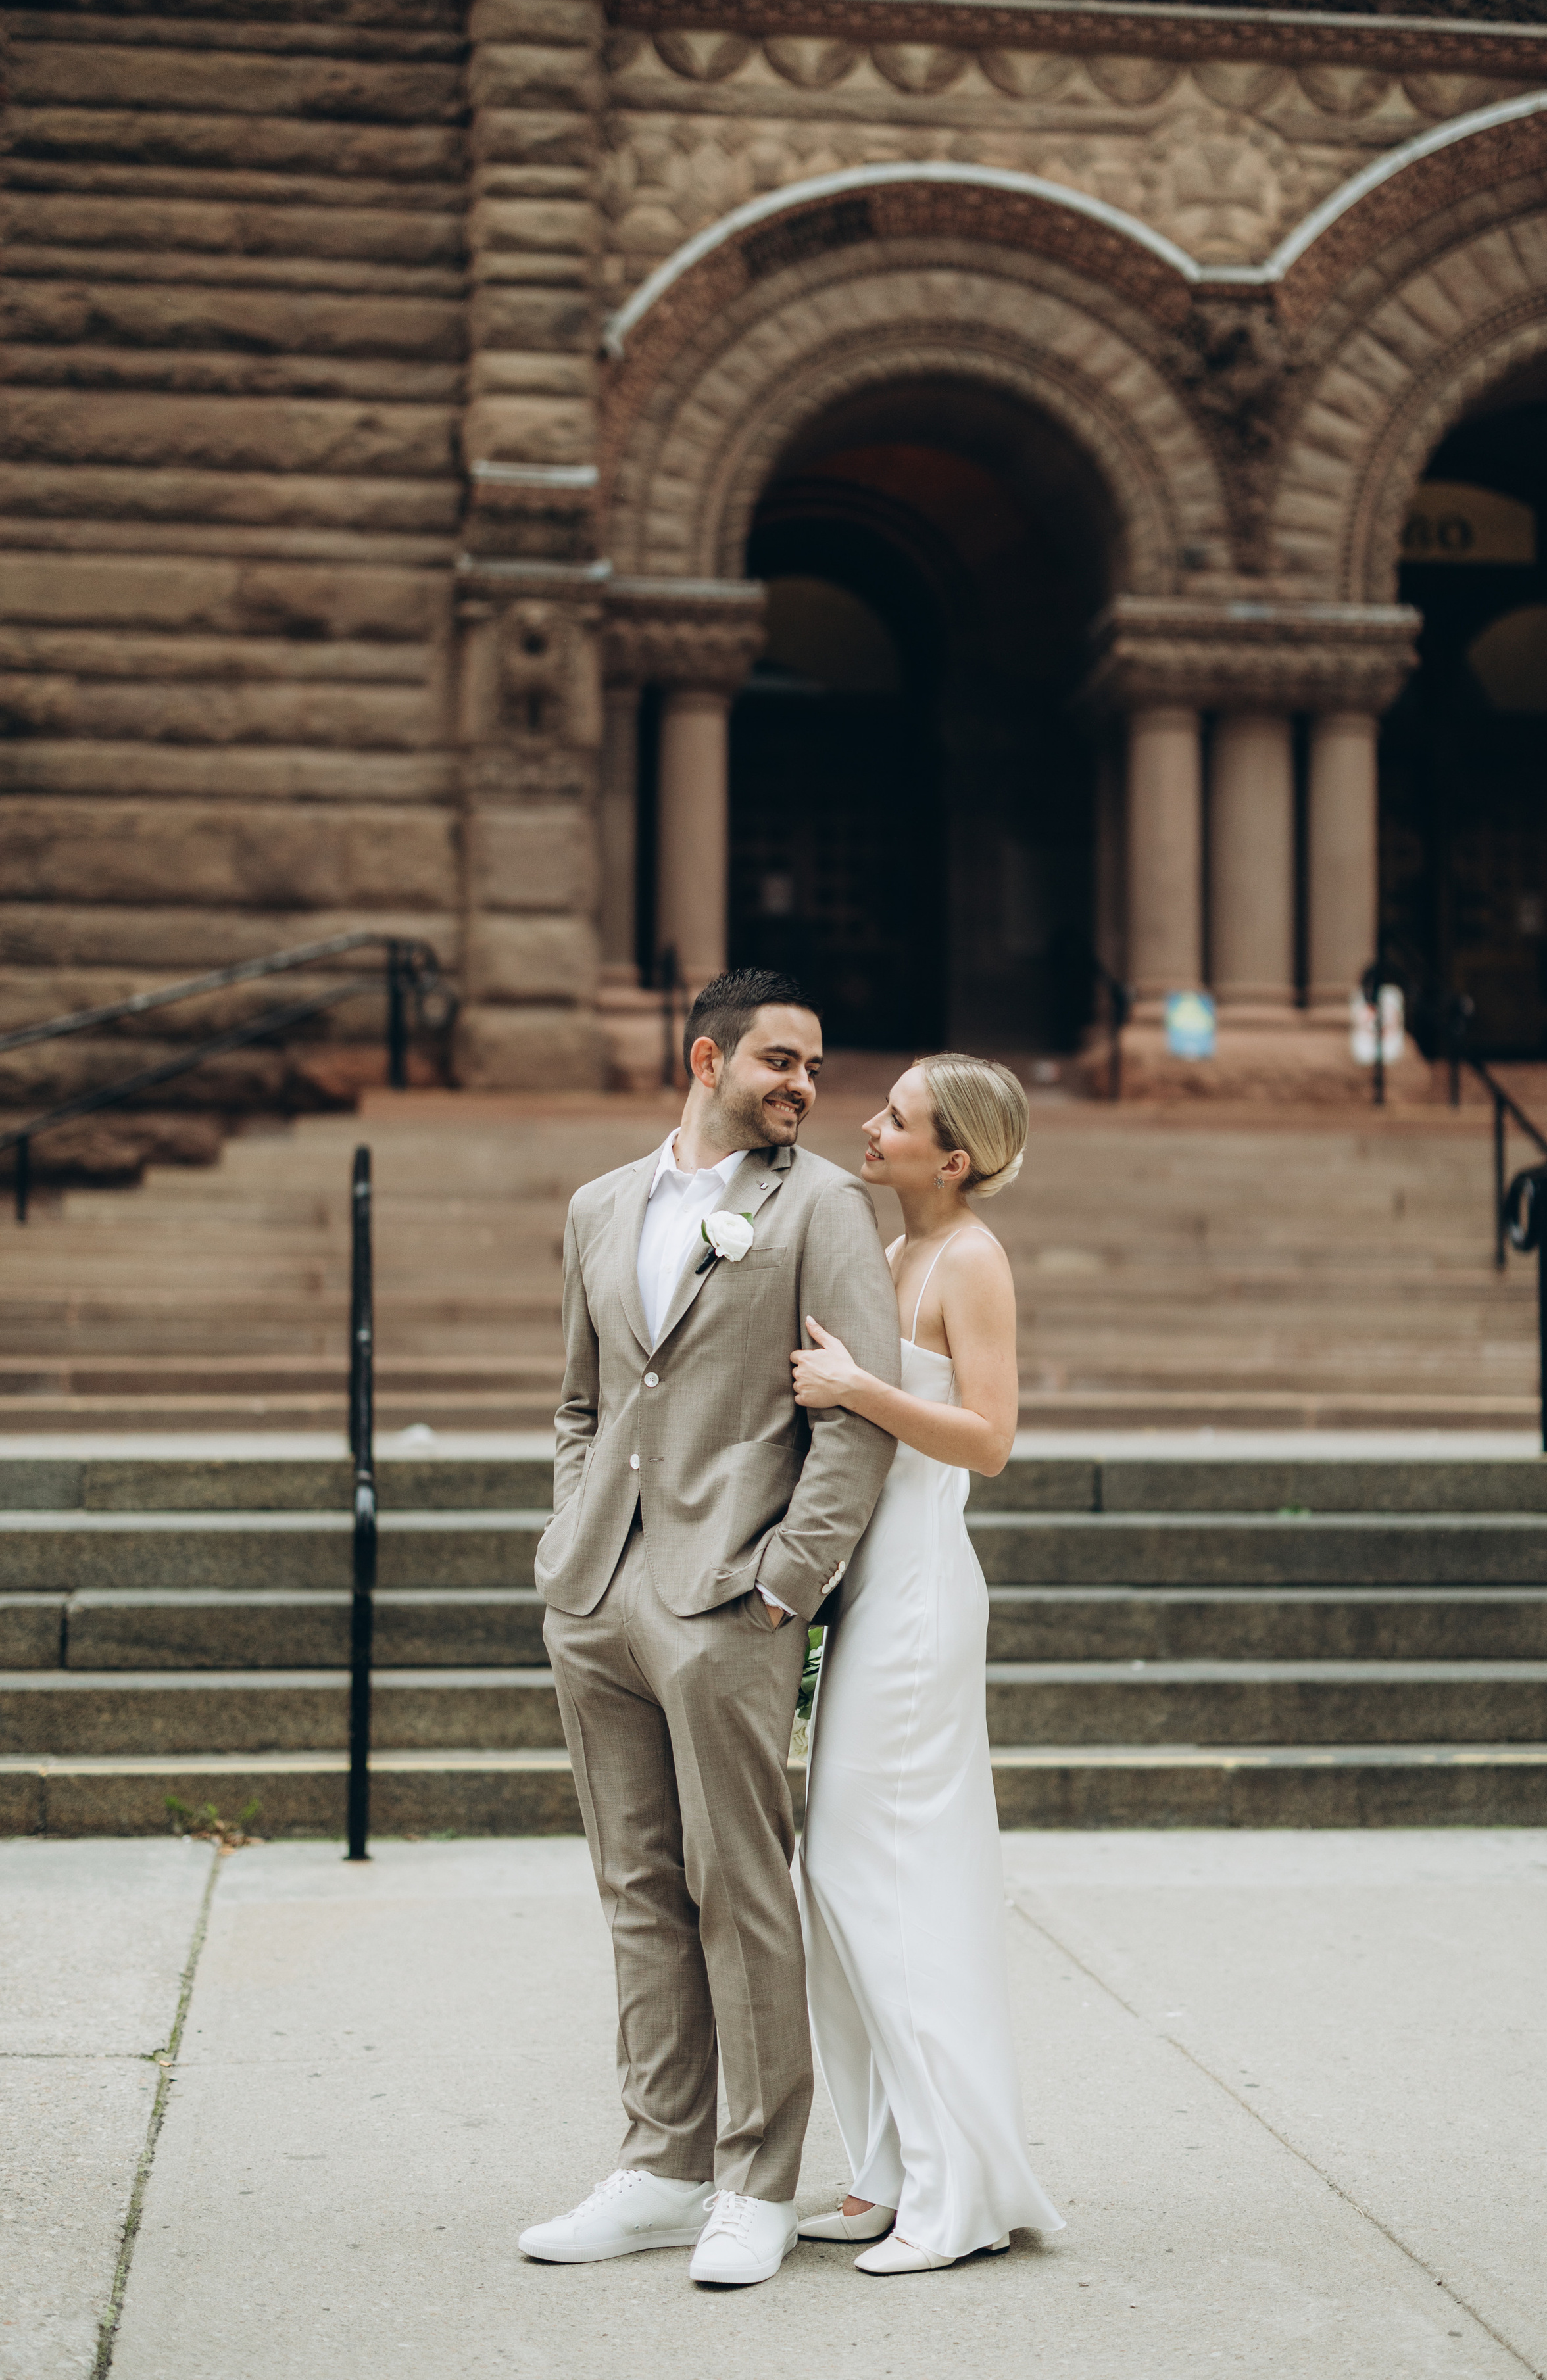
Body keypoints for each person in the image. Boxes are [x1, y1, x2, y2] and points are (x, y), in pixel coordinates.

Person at [519, 970, 901, 2288]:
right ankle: (658, 2168)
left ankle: (758, 2182)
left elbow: (857, 1413)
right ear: (705, 1058)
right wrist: (570, 1546)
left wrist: (789, 1578)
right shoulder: (595, 1207)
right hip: (596, 1596)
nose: (801, 1085)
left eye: (812, 1066)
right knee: (634, 1887)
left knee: (738, 1887)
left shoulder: (825, 1207)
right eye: (778, 1061)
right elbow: (581, 1402)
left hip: (732, 1593)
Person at [791, 1052, 1065, 2273]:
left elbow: (991, 1440)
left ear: (949, 1157)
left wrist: (858, 1386)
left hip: (919, 1600)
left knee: (875, 1872)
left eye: (894, 1116)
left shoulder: (972, 1262)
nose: (869, 1122)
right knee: (836, 1879)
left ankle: (954, 2194)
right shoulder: (890, 1257)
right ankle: (887, 2169)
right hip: (866, 1589)